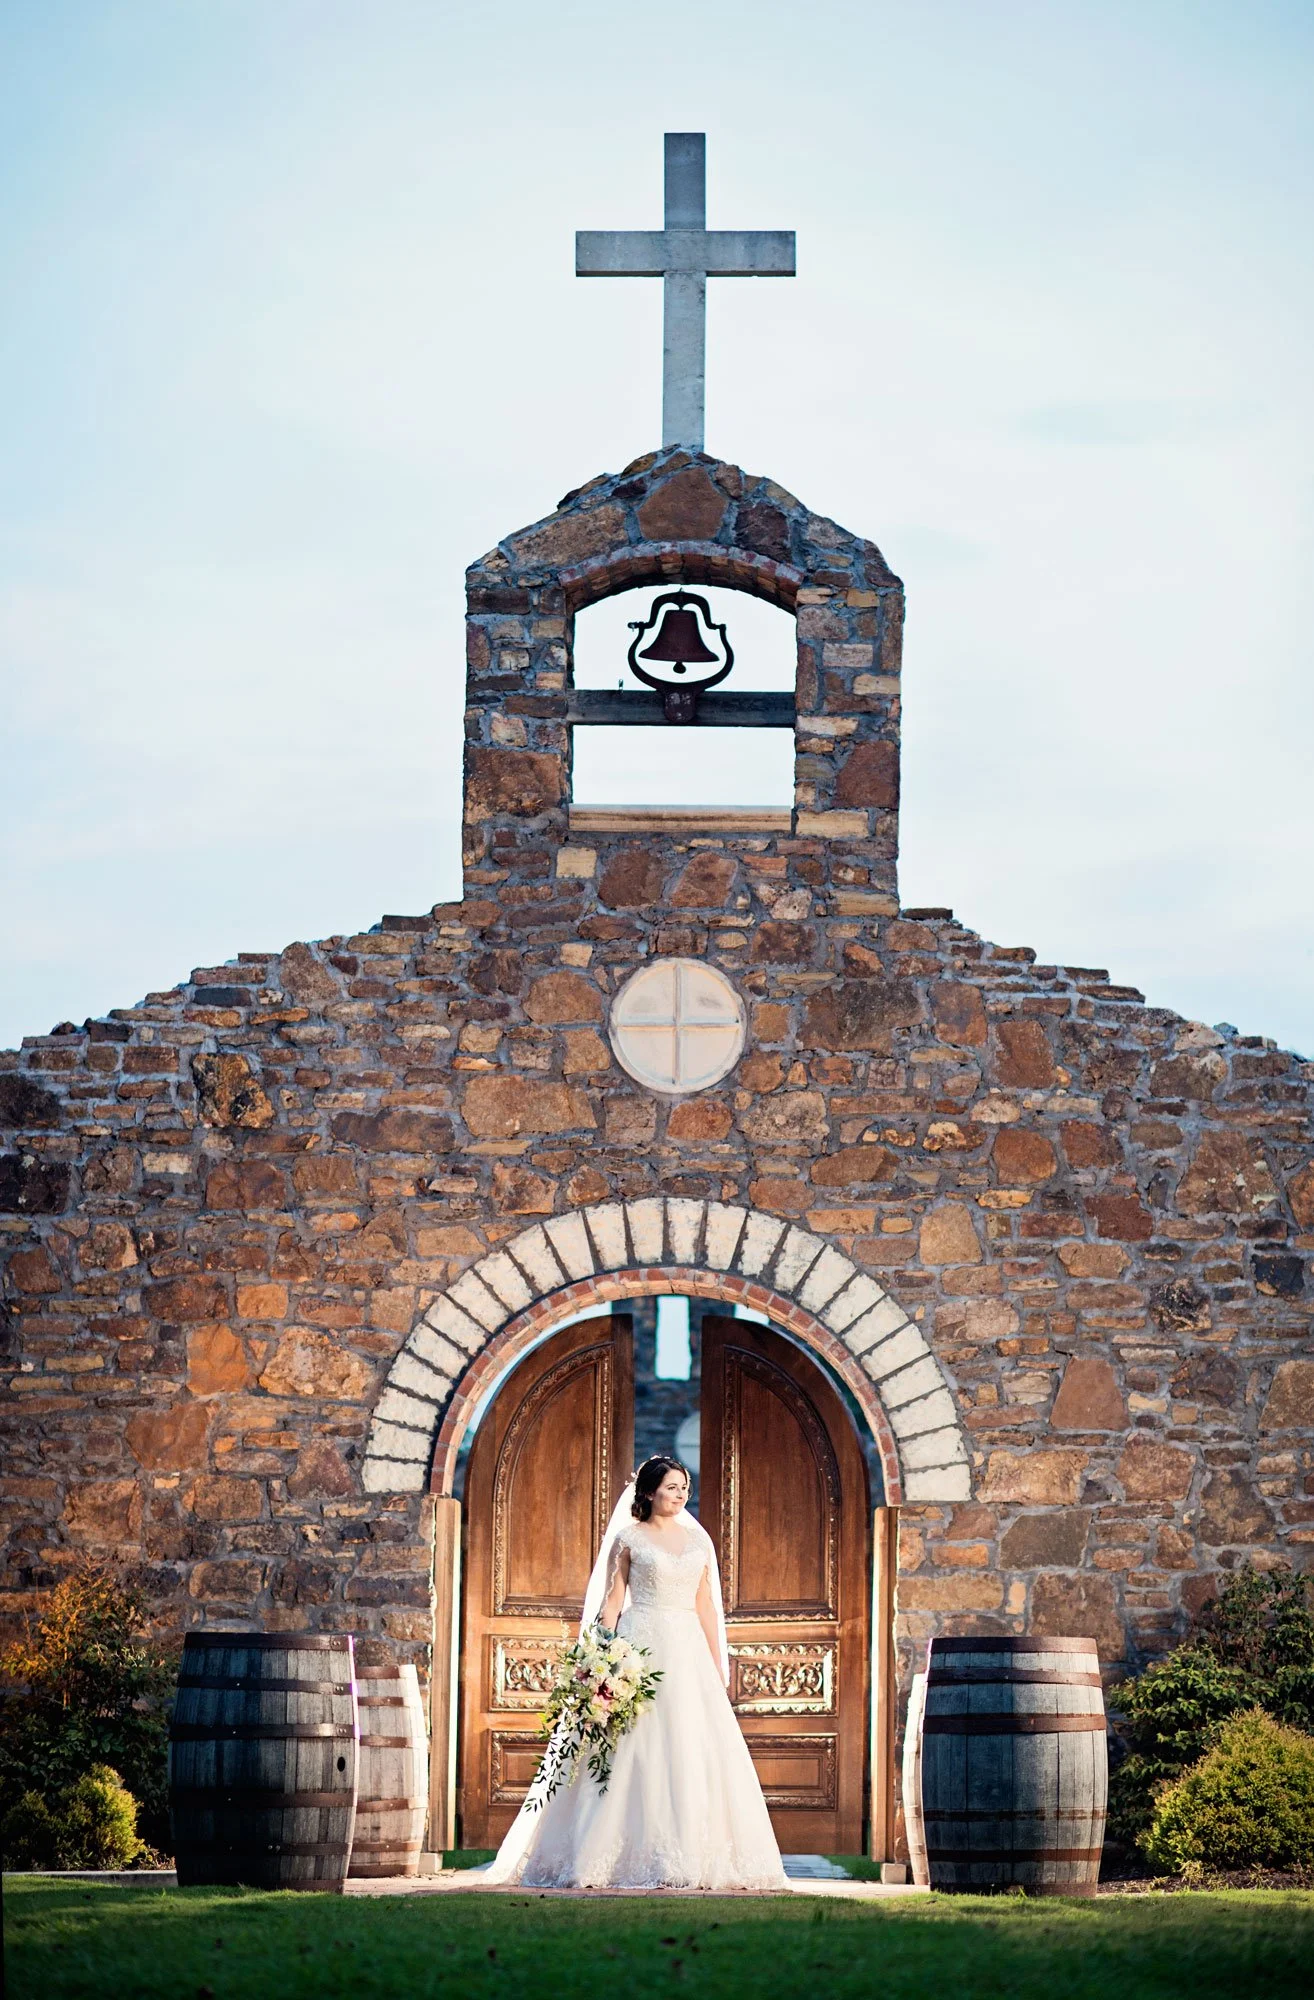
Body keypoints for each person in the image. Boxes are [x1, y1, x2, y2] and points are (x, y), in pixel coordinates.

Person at [483, 1454, 788, 1890]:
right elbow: (611, 1602)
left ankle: (689, 1855)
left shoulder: (698, 1543)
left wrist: (718, 1662)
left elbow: (705, 1605)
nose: (681, 1495)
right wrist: (598, 1659)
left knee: (688, 1743)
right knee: (631, 1746)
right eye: (672, 1488)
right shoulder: (629, 1538)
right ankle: (599, 1856)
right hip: (638, 1644)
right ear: (648, 1492)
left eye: (685, 1488)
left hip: (687, 1653)